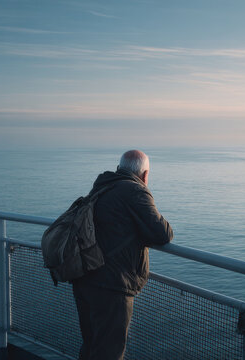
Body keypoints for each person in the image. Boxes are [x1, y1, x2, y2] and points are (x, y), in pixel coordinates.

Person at [72, 150, 174, 360]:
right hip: (112, 284)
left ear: (120, 168)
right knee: (109, 352)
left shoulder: (102, 185)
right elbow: (163, 233)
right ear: (145, 175)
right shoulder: (135, 191)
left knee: (91, 346)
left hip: (85, 276)